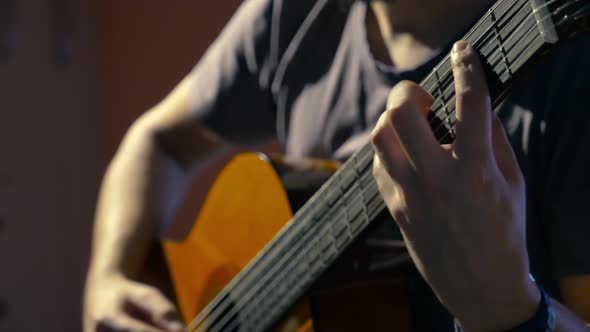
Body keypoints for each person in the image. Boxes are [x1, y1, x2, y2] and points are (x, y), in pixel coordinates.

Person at [83, 0, 590, 331]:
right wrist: (108, 277)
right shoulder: (294, 15)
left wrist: (506, 309)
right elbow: (156, 144)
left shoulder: (571, 68)